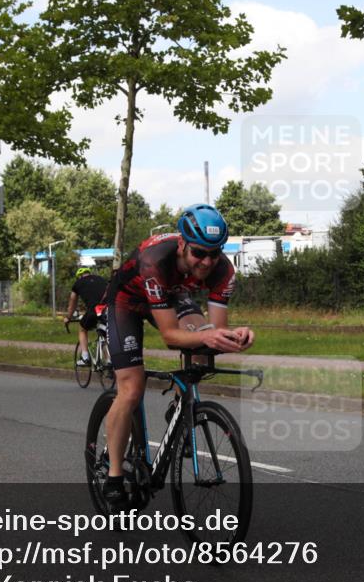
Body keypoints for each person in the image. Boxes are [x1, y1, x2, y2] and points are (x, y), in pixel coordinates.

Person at [102, 204, 254, 510]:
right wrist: (207, 336)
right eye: (199, 253)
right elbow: (170, 336)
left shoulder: (224, 271)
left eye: (215, 253)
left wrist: (234, 337)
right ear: (182, 244)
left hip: (170, 297)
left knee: (204, 342)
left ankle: (180, 409)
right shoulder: (155, 260)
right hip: (126, 302)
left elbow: (215, 332)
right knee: (131, 389)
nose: (207, 261)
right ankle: (114, 476)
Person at [64, 267, 109, 366]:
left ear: (79, 276)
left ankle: (85, 358)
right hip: (108, 309)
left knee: (82, 329)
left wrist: (68, 317)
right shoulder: (101, 279)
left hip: (94, 310)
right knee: (105, 333)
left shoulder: (78, 283)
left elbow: (72, 303)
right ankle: (109, 360)